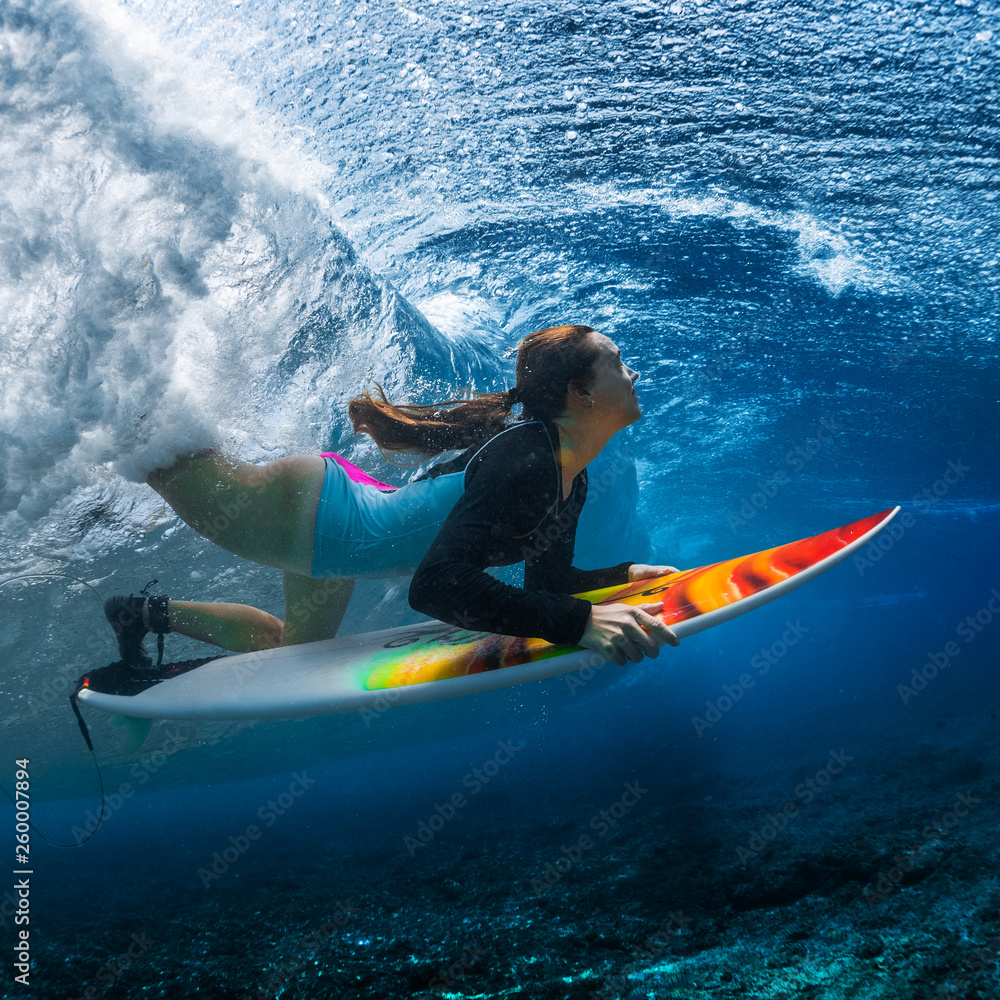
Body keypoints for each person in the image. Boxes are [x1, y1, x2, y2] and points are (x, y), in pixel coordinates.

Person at [106, 325, 679, 669]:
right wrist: (578, 625)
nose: (633, 373)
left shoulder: (567, 476)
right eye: (619, 364)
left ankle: (143, 613)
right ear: (580, 393)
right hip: (310, 514)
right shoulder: (527, 458)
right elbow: (436, 586)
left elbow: (547, 586)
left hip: (344, 531)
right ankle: (98, 368)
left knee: (289, 653)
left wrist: (626, 573)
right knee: (151, 446)